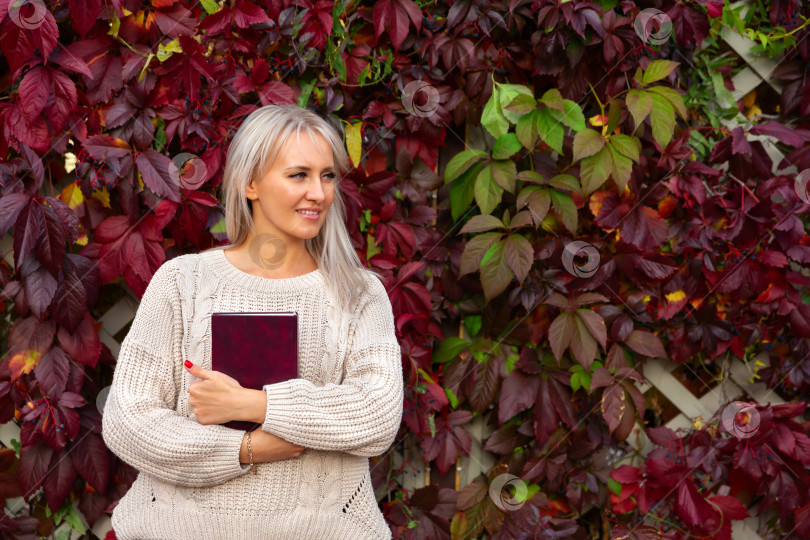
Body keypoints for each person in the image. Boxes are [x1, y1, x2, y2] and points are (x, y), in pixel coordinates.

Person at [101, 104, 404, 539]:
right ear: (251, 183)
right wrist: (244, 449)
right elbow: (129, 421)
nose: (318, 193)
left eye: (327, 175)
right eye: (298, 175)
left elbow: (376, 414)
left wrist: (256, 405)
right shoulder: (183, 282)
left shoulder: (358, 293)